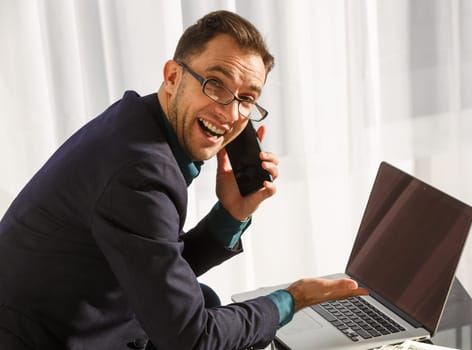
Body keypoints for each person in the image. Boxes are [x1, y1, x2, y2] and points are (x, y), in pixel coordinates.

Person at [0, 10, 367, 350]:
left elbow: (154, 268)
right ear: (173, 77)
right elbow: (189, 338)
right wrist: (294, 299)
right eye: (215, 84)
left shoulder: (137, 123)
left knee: (207, 301)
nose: (229, 111)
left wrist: (232, 215)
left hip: (79, 315)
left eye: (246, 98)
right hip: (48, 339)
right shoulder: (141, 171)